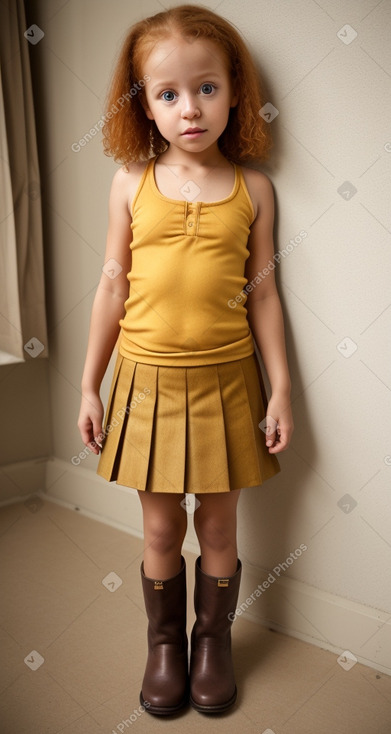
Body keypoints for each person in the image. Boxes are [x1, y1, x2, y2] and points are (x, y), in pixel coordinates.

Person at [77, 3, 294, 717]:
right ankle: (164, 645)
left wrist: (281, 389)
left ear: (233, 90)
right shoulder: (128, 182)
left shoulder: (253, 189)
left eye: (206, 88)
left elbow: (263, 298)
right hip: (144, 378)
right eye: (167, 94)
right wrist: (88, 385)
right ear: (143, 104)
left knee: (220, 528)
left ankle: (212, 643)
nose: (190, 109)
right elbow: (111, 288)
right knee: (163, 529)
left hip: (229, 381)